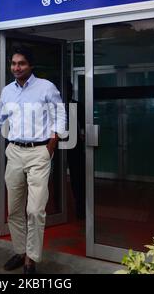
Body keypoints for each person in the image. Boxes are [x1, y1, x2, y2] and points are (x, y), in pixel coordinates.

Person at [0, 47, 66, 274]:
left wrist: (51, 144)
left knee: (35, 210)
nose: (16, 68)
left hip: (39, 153)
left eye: (21, 63)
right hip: (14, 153)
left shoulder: (46, 87)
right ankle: (21, 252)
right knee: (14, 211)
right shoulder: (8, 91)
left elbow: (60, 114)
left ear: (31, 66)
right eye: (13, 63)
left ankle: (31, 259)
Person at [65, 81, 86, 220]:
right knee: (54, 177)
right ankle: (57, 207)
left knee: (78, 177)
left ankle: (80, 208)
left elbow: (83, 123)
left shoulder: (77, 105)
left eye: (70, 89)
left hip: (74, 145)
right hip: (56, 145)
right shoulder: (53, 107)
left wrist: (83, 135)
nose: (68, 91)